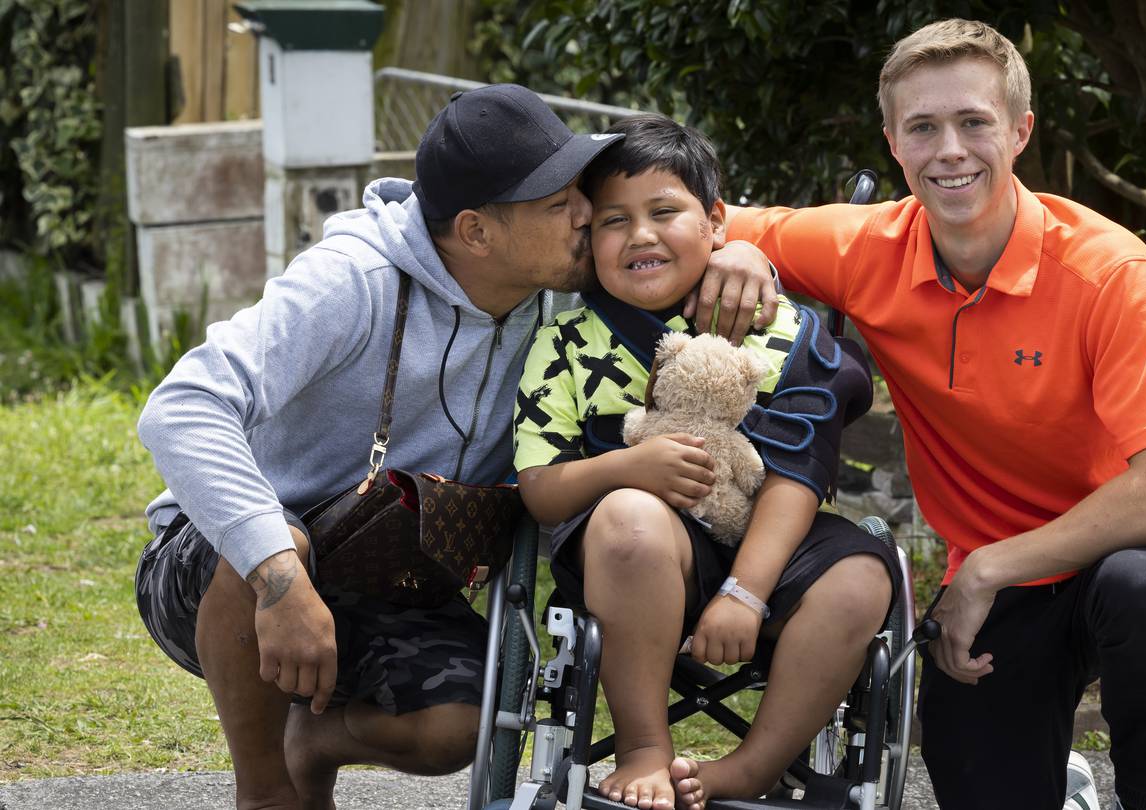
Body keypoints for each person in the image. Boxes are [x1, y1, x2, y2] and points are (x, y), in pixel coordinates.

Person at [133, 85, 772, 810]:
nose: (586, 214)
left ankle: (312, 741)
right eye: (557, 202)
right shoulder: (353, 280)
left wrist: (752, 251)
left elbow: (677, 230)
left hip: (392, 569)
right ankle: (268, 790)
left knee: (460, 726)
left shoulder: (565, 276)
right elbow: (180, 406)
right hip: (222, 571)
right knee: (276, 537)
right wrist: (277, 573)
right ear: (476, 232)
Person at [725, 19, 1146, 810]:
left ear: (1020, 130)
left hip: (1127, 553)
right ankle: (1058, 778)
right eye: (923, 127)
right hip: (1008, 590)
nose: (949, 150)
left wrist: (987, 567)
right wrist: (743, 251)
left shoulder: (1107, 270)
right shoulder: (865, 248)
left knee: (1141, 590)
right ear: (894, 142)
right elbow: (694, 220)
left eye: (974, 123)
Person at [512, 114, 900, 810]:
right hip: (637, 561)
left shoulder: (776, 326)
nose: (640, 236)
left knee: (863, 578)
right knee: (628, 516)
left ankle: (753, 766)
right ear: (587, 238)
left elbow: (798, 472)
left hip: (777, 547)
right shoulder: (564, 344)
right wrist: (624, 469)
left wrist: (746, 592)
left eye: (664, 212)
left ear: (716, 221)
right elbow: (541, 494)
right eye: (612, 221)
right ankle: (643, 747)